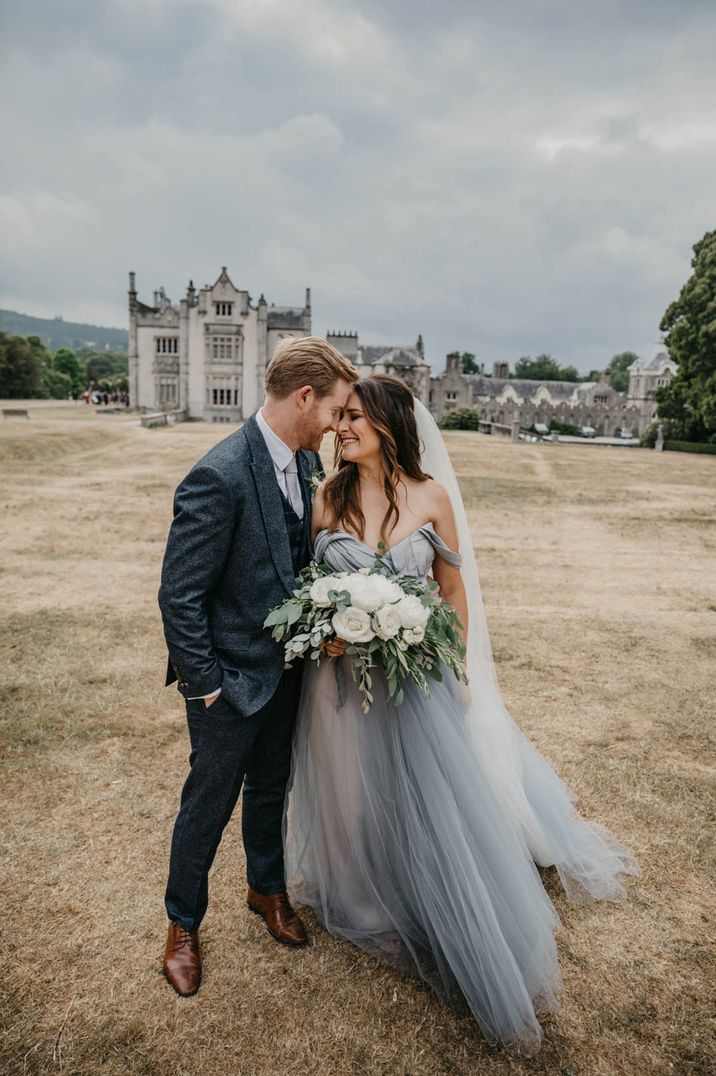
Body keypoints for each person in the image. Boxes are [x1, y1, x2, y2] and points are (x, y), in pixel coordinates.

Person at [285, 374, 637, 1055]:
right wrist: (328, 626)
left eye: (354, 417)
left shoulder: (432, 497)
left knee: (424, 797)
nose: (341, 428)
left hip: (414, 679)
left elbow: (452, 591)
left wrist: (456, 667)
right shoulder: (327, 498)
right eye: (340, 418)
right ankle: (360, 898)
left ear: (389, 424)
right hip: (338, 680)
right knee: (348, 793)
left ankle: (435, 898)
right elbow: (311, 585)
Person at [157, 336, 358, 997]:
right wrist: (207, 686)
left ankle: (265, 888)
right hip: (227, 683)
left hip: (288, 673)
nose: (337, 425)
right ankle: (183, 925)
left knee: (273, 787)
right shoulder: (218, 473)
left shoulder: (302, 466)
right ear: (305, 398)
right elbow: (179, 595)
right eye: (333, 410)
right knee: (207, 804)